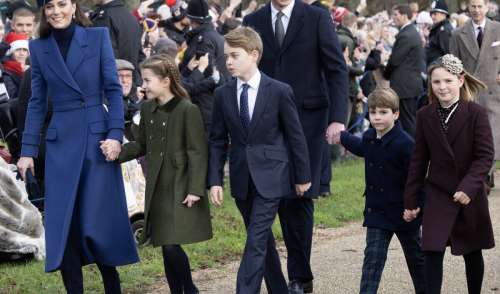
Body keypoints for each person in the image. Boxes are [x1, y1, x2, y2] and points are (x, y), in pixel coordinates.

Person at [16, 0, 139, 292]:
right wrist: (27, 151)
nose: (56, 11)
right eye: (50, 7)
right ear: (43, 12)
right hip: (60, 145)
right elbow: (35, 103)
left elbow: (112, 87)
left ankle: (112, 286)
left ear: (73, 7)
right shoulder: (39, 47)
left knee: (98, 222)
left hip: (97, 142)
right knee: (65, 225)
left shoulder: (96, 37)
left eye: (62, 4)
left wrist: (114, 134)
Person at [243, 1, 348, 291]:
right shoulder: (253, 19)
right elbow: (245, 69)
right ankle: (274, 280)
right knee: (261, 199)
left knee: (298, 198)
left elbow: (336, 69)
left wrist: (338, 118)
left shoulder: (316, 17)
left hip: (308, 122)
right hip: (264, 124)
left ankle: (300, 278)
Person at [208, 26, 311, 294]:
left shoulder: (278, 91)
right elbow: (218, 140)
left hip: (273, 175)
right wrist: (215, 180)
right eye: (226, 56)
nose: (228, 61)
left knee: (254, 240)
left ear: (254, 55)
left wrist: (302, 176)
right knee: (262, 241)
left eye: (234, 55)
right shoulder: (223, 94)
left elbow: (295, 136)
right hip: (242, 179)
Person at [114, 54, 213, 294]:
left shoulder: (187, 109)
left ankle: (189, 289)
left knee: (170, 244)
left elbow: (198, 152)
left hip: (180, 185)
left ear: (166, 81)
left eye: (147, 80)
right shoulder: (147, 108)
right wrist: (116, 153)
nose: (143, 85)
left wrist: (195, 189)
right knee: (165, 243)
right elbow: (141, 145)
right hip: (157, 185)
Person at [404, 54, 495, 294]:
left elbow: (485, 156)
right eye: (436, 82)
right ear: (430, 85)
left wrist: (469, 187)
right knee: (431, 250)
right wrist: (411, 200)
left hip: (469, 192)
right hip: (438, 191)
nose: (442, 87)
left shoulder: (475, 112)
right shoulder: (425, 115)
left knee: (472, 251)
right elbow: (418, 160)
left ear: (461, 80)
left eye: (448, 81)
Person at [338, 88, 425, 294]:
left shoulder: (406, 144)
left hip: (405, 213)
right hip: (377, 212)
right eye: (373, 112)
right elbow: (361, 148)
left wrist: (415, 207)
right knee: (372, 263)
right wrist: (342, 136)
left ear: (395, 114)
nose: (377, 117)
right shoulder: (369, 137)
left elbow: (418, 180)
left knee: (417, 261)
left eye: (383, 112)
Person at [449, 0, 500, 188]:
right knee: (473, 136)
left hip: (494, 91)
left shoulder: (498, 29)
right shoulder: (457, 34)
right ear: (468, 8)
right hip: (470, 91)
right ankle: (484, 174)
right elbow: (452, 63)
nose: (476, 10)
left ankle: (484, 174)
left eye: (480, 6)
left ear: (487, 8)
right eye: (473, 6)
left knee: (493, 134)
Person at [383, 4, 424, 138]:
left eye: (396, 15)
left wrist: (385, 74)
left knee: (407, 123)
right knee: (407, 121)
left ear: (404, 15)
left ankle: (412, 153)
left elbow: (395, 60)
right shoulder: (409, 32)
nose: (393, 18)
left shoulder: (406, 34)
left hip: (405, 86)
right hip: (408, 85)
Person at [90, 0, 144, 85]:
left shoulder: (104, 17)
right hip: (131, 82)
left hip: (113, 84)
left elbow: (106, 57)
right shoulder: (130, 16)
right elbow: (140, 56)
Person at [426, 0, 453, 65]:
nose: (432, 17)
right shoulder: (438, 28)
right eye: (431, 14)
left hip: (440, 69)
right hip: (434, 66)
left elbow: (447, 54)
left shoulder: (444, 30)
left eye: (435, 14)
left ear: (444, 14)